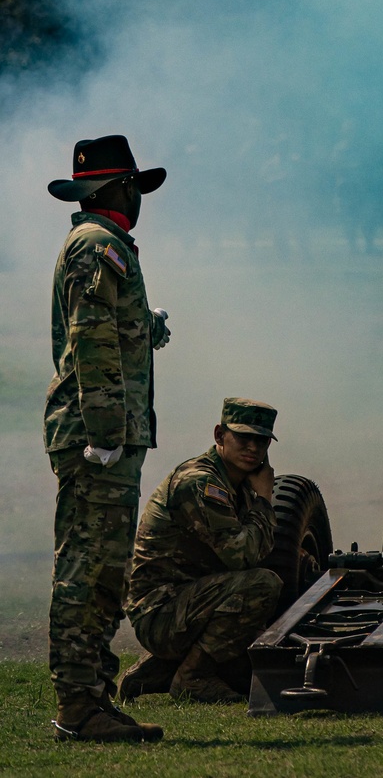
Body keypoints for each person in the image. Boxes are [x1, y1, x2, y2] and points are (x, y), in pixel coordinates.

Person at [45, 135, 170, 743]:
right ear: (113, 190)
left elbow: (108, 327)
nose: (139, 198)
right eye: (134, 187)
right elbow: (91, 338)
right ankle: (78, 704)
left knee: (103, 570)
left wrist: (147, 327)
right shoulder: (99, 246)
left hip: (107, 430)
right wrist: (103, 433)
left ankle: (91, 699)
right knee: (90, 568)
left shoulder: (102, 245)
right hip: (100, 434)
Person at [120, 398, 282, 704]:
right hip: (160, 611)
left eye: (261, 441)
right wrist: (263, 500)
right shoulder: (202, 483)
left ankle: (156, 672)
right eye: (243, 437)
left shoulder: (237, 484)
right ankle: (191, 677)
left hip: (184, 601)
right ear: (220, 435)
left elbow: (257, 551)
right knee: (262, 585)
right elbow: (243, 555)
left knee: (253, 653)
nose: (253, 448)